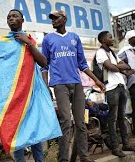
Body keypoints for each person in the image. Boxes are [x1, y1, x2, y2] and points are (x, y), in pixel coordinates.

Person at [0, 9, 61, 161]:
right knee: (17, 132)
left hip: (31, 93)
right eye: (8, 16)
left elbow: (44, 62)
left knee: (34, 130)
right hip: (12, 96)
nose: (11, 18)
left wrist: (28, 43)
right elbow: (1, 73)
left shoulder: (29, 39)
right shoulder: (2, 42)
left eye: (15, 16)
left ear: (22, 20)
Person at [41, 10, 105, 162]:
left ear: (64, 19)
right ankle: (63, 159)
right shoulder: (48, 39)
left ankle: (84, 156)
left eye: (56, 18)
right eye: (52, 19)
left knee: (81, 123)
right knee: (66, 122)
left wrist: (97, 80)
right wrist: (45, 86)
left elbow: (82, 64)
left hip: (76, 84)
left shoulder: (74, 38)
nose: (53, 21)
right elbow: (44, 66)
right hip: (59, 84)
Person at [95, 31, 135, 158]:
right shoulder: (101, 52)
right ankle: (115, 147)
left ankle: (125, 144)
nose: (112, 39)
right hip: (111, 88)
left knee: (121, 117)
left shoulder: (112, 53)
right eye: (109, 37)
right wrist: (119, 67)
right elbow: (110, 67)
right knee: (112, 120)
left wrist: (116, 66)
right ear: (103, 40)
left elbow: (126, 65)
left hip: (121, 86)